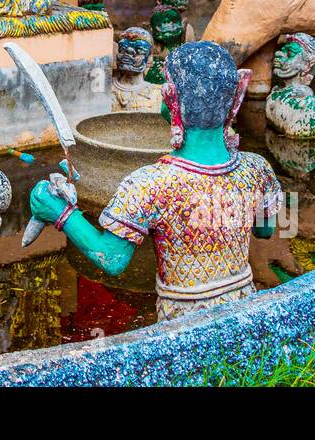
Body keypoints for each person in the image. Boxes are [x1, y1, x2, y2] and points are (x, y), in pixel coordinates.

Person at [28, 41, 283, 320]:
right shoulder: (257, 170)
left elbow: (111, 258)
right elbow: (264, 231)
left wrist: (60, 212)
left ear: (171, 99)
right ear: (236, 98)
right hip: (242, 314)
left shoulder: (150, 184)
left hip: (183, 327)